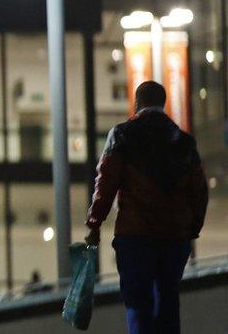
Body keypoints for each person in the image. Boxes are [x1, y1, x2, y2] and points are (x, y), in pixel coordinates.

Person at [85, 81, 208, 334]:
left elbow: (105, 182)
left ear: (137, 103)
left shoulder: (121, 134)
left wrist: (95, 223)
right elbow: (199, 190)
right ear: (163, 104)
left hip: (135, 236)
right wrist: (193, 227)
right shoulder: (184, 141)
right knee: (168, 302)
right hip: (175, 237)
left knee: (138, 304)